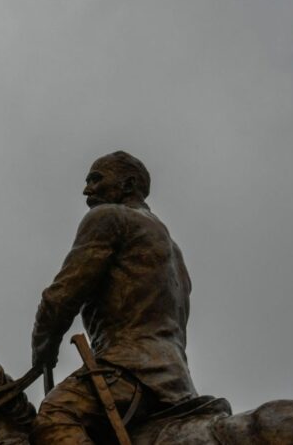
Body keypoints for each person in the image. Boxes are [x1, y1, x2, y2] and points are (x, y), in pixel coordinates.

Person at [30, 151, 198, 444]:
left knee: (54, 417)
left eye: (96, 179)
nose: (87, 190)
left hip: (129, 370)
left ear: (128, 185)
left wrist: (43, 349)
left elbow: (63, 295)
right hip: (176, 381)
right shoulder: (174, 251)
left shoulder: (109, 217)